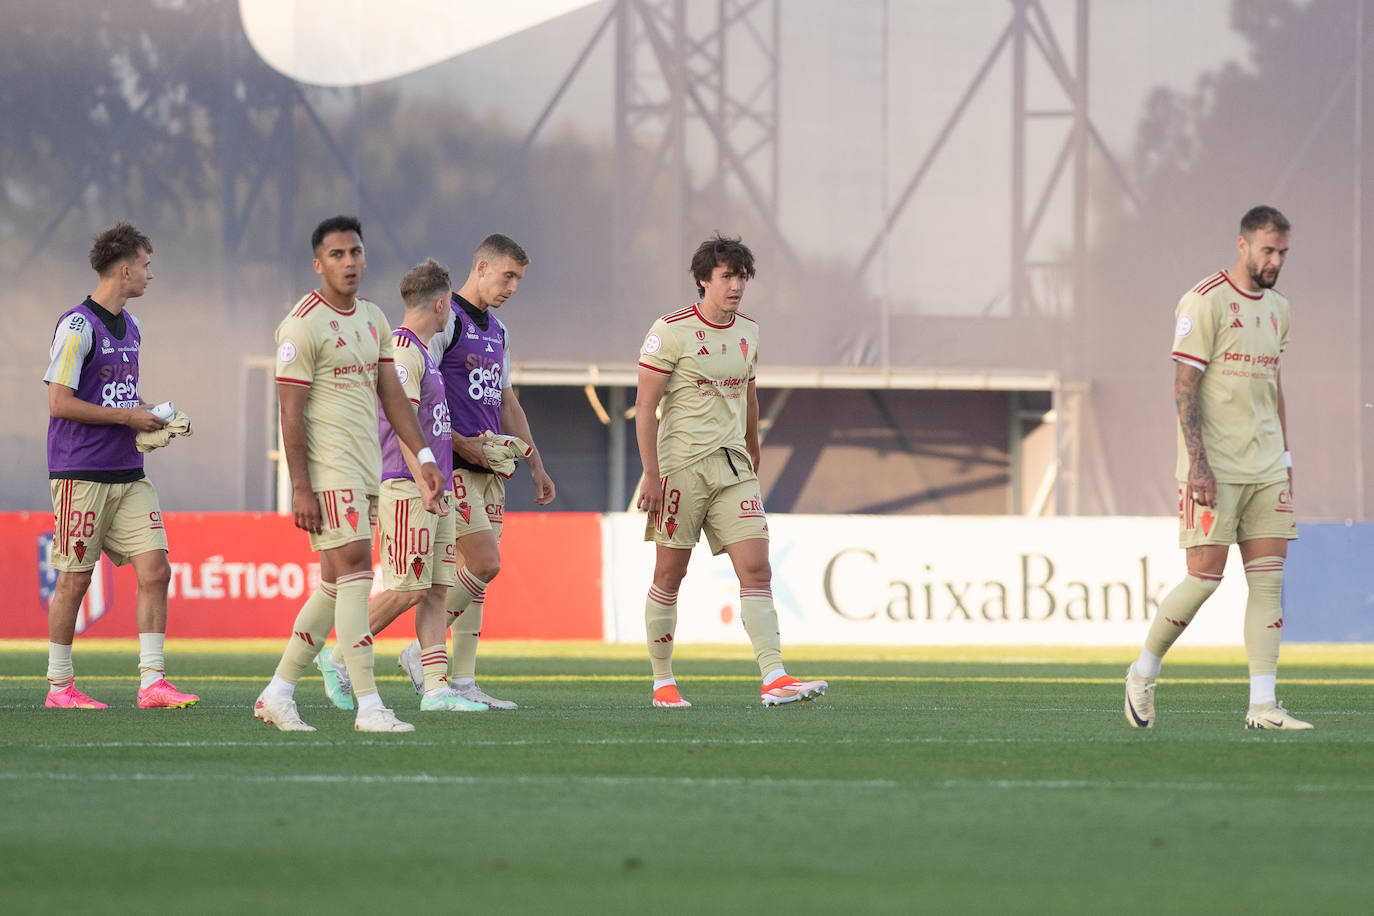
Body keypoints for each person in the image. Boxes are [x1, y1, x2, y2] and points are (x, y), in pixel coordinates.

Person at [253, 216, 446, 733]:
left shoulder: (374, 319)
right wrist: (300, 487)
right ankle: (369, 704)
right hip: (327, 471)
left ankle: (278, 691)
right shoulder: (301, 325)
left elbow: (394, 397)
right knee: (358, 572)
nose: (349, 262)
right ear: (318, 264)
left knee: (337, 585)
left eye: (356, 252)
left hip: (367, 471)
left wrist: (423, 458)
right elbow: (289, 414)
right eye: (336, 255)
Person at [1125, 205, 1310, 731]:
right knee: (1205, 579)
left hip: (1267, 467)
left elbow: (1274, 388)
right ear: (1243, 245)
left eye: (1283, 253)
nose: (1275, 260)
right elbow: (1184, 387)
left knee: (1269, 584)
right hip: (1216, 468)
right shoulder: (1204, 302)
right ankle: (1142, 670)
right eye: (1268, 250)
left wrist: (1287, 458)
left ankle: (1262, 706)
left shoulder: (1280, 309)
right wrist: (1198, 466)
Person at [634, 233, 827, 708]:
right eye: (727, 276)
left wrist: (753, 447)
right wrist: (651, 473)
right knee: (669, 574)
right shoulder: (669, 331)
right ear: (704, 279)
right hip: (680, 469)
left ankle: (774, 676)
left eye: (742, 276)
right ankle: (663, 683)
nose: (736, 285)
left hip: (733, 468)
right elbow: (644, 407)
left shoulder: (749, 332)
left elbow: (750, 394)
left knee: (758, 566)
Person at [315, 258, 487, 714]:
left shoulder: (424, 352)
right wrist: (423, 479)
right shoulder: (401, 351)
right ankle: (335, 657)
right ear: (440, 302)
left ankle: (435, 689)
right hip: (408, 485)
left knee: (433, 589)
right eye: (450, 303)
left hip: (436, 485)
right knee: (407, 589)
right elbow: (402, 420)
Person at [393, 234, 556, 710]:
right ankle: (424, 654)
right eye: (507, 275)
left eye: (519, 279)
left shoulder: (500, 332)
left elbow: (505, 400)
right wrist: (458, 445)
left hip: (492, 471)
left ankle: (462, 681)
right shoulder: (447, 320)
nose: (512, 286)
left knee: (477, 580)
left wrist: (535, 461)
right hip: (455, 467)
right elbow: (420, 390)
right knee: (484, 564)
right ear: (480, 267)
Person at [41, 221, 199, 710]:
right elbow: (60, 403)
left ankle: (152, 682)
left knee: (157, 570)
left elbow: (121, 399)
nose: (151, 275)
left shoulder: (131, 326)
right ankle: (59, 687)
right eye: (147, 266)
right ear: (125, 267)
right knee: (75, 580)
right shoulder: (76, 326)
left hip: (128, 473)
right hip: (79, 473)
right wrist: (127, 416)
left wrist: (149, 421)